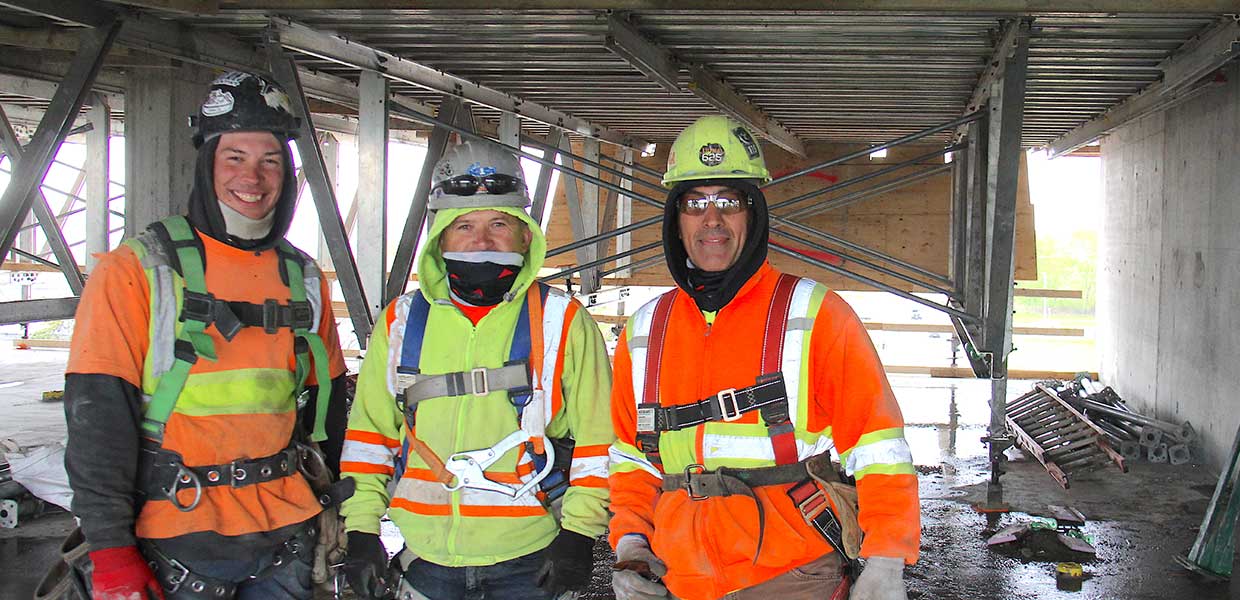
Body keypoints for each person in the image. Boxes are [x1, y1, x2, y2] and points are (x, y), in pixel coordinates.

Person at [607, 115, 920, 600]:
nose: (712, 219)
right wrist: (631, 543)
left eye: (728, 201)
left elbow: (877, 445)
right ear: (676, 219)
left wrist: (886, 558)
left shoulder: (816, 313)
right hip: (678, 577)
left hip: (791, 576)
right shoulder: (646, 330)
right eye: (695, 203)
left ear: (752, 214)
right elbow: (631, 459)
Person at [64, 71, 349, 600]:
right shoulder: (138, 269)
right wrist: (110, 548)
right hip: (174, 536)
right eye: (235, 157)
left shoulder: (302, 276)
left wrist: (342, 509)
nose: (253, 177)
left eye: (270, 160)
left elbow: (327, 409)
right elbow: (96, 416)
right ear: (207, 163)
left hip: (286, 536)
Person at [338, 141, 614, 599]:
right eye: (463, 226)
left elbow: (599, 439)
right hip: (425, 561)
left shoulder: (561, 321)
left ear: (526, 236)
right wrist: (363, 529)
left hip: (532, 562)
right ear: (440, 238)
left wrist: (580, 533)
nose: (482, 242)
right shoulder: (401, 323)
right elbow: (371, 435)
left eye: (498, 224)